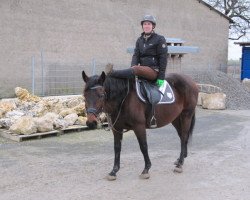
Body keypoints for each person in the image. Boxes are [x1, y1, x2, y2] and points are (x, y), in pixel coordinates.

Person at [106, 14, 167, 87]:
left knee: (136, 68)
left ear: (153, 26)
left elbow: (163, 58)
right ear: (142, 26)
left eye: (149, 24)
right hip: (141, 70)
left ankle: (113, 72)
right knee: (134, 70)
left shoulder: (160, 39)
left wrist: (161, 77)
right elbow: (136, 56)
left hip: (154, 71)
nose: (146, 26)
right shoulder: (139, 40)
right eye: (144, 24)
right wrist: (132, 69)